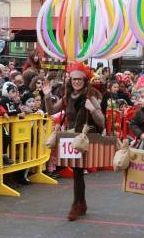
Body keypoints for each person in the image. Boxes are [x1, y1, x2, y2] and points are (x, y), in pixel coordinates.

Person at [44, 61, 104, 221]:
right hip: (71, 138)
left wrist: (93, 109)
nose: (77, 82)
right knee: (77, 173)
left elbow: (102, 122)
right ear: (70, 81)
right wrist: (47, 95)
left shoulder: (90, 96)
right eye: (74, 79)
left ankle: (77, 205)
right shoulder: (67, 97)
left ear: (85, 80)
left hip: (84, 138)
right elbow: (51, 111)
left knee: (78, 172)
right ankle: (80, 204)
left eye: (80, 79)